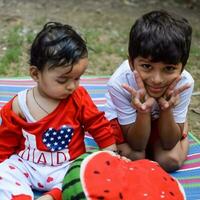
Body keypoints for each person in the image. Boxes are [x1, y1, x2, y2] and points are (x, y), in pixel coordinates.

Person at [0, 22, 117, 200]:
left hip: (66, 167)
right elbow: (6, 140)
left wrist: (111, 154)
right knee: (4, 172)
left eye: (77, 78)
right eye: (63, 80)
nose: (72, 86)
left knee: (87, 175)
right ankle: (20, 196)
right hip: (27, 165)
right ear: (35, 74)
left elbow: (98, 125)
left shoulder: (79, 98)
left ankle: (53, 195)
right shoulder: (19, 105)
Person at [105, 10, 194, 172]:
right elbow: (136, 145)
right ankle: (180, 127)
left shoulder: (185, 82)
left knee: (170, 161)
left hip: (161, 119)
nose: (157, 79)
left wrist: (167, 110)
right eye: (146, 66)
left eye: (169, 68)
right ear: (132, 63)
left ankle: (184, 134)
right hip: (128, 125)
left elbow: (168, 143)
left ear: (182, 67)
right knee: (135, 157)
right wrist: (143, 111)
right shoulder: (119, 83)